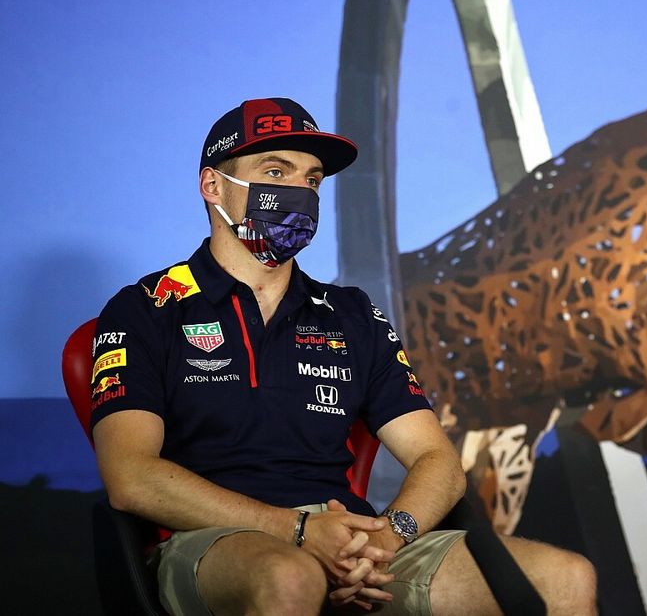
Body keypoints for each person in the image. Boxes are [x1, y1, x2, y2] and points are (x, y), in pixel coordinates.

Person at [90, 97, 597, 615]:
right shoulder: (145, 309)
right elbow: (130, 476)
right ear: (213, 187)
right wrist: (299, 532)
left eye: (311, 180)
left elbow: (437, 461)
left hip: (351, 540)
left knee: (564, 578)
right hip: (216, 540)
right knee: (290, 576)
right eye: (274, 171)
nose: (299, 192)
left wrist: (385, 540)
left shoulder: (350, 314)